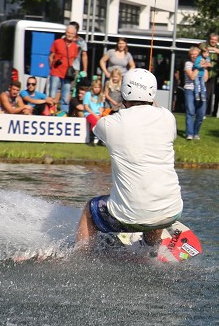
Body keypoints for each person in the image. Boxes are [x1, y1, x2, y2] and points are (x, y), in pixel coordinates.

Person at [76, 68, 183, 248]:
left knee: (90, 209)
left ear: (124, 92)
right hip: (172, 210)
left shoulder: (111, 123)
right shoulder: (168, 117)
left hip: (131, 214)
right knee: (153, 197)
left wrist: (91, 115)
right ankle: (151, 246)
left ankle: (81, 257)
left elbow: (97, 124)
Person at [48, 21, 88, 114]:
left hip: (67, 74)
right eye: (68, 33)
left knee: (66, 94)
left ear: (75, 34)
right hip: (56, 72)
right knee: (53, 93)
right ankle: (51, 112)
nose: (70, 35)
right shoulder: (57, 42)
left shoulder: (75, 46)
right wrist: (51, 66)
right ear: (66, 33)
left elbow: (74, 58)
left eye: (72, 33)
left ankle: (63, 113)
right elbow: (51, 56)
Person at [183, 45, 208, 140]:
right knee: (190, 112)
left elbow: (205, 79)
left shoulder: (203, 62)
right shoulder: (188, 64)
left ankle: (196, 133)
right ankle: (189, 134)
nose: (193, 56)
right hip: (190, 89)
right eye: (192, 54)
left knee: (201, 113)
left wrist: (204, 67)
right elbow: (192, 77)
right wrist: (199, 66)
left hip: (202, 91)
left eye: (196, 54)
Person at [204, 33, 219, 115]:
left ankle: (206, 112)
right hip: (204, 74)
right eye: (212, 39)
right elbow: (202, 47)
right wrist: (212, 49)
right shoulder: (204, 44)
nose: (213, 41)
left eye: (215, 40)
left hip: (213, 75)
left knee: (208, 94)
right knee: (201, 93)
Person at [83, 78, 105, 142]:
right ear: (92, 87)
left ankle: (101, 140)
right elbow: (86, 107)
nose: (97, 89)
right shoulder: (88, 94)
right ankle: (91, 139)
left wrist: (100, 114)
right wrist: (95, 115)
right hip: (89, 113)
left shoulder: (100, 96)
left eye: (98, 87)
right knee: (94, 123)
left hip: (98, 114)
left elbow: (101, 107)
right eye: (95, 87)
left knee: (104, 123)